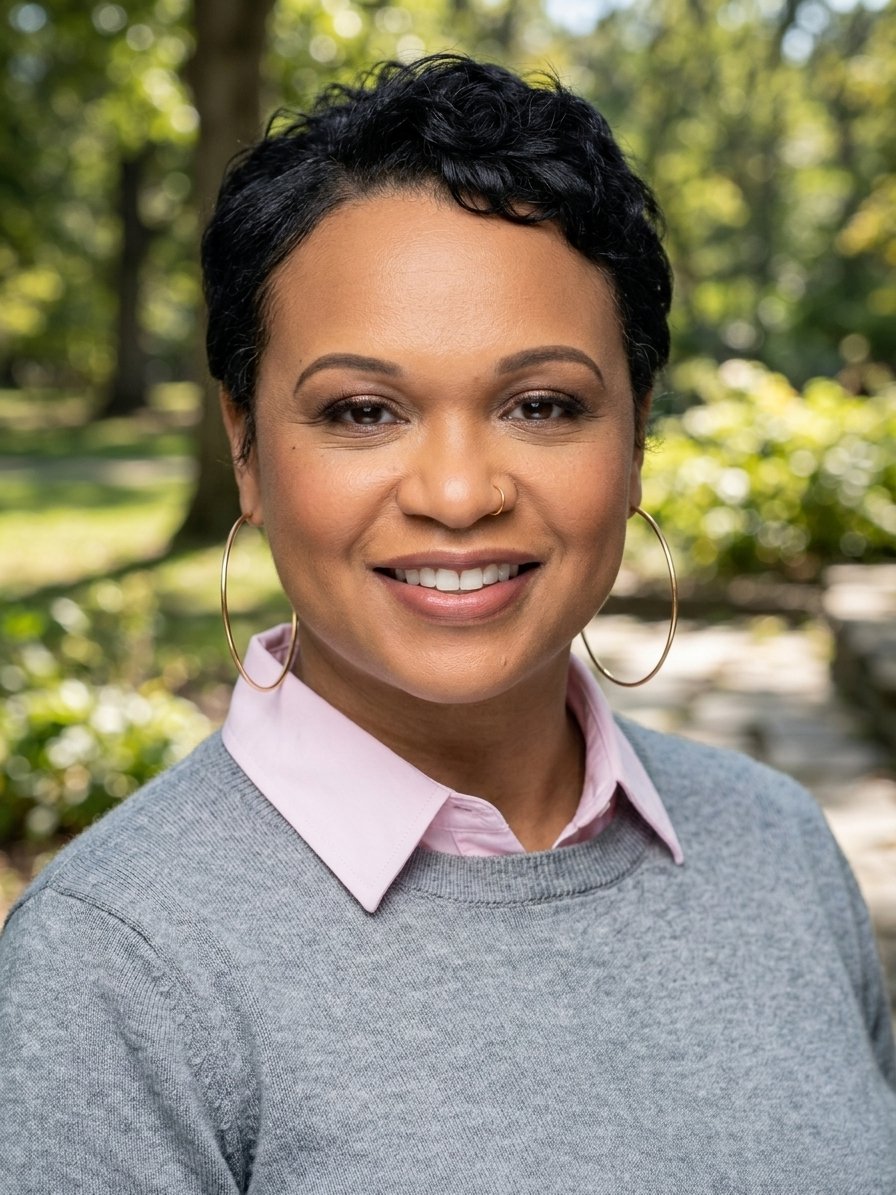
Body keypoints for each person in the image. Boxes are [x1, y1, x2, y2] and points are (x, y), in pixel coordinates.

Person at [1, 53, 894, 1193]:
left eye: (541, 404)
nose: (460, 492)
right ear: (245, 449)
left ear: (635, 435)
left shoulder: (779, 850)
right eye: (362, 411)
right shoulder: (114, 969)